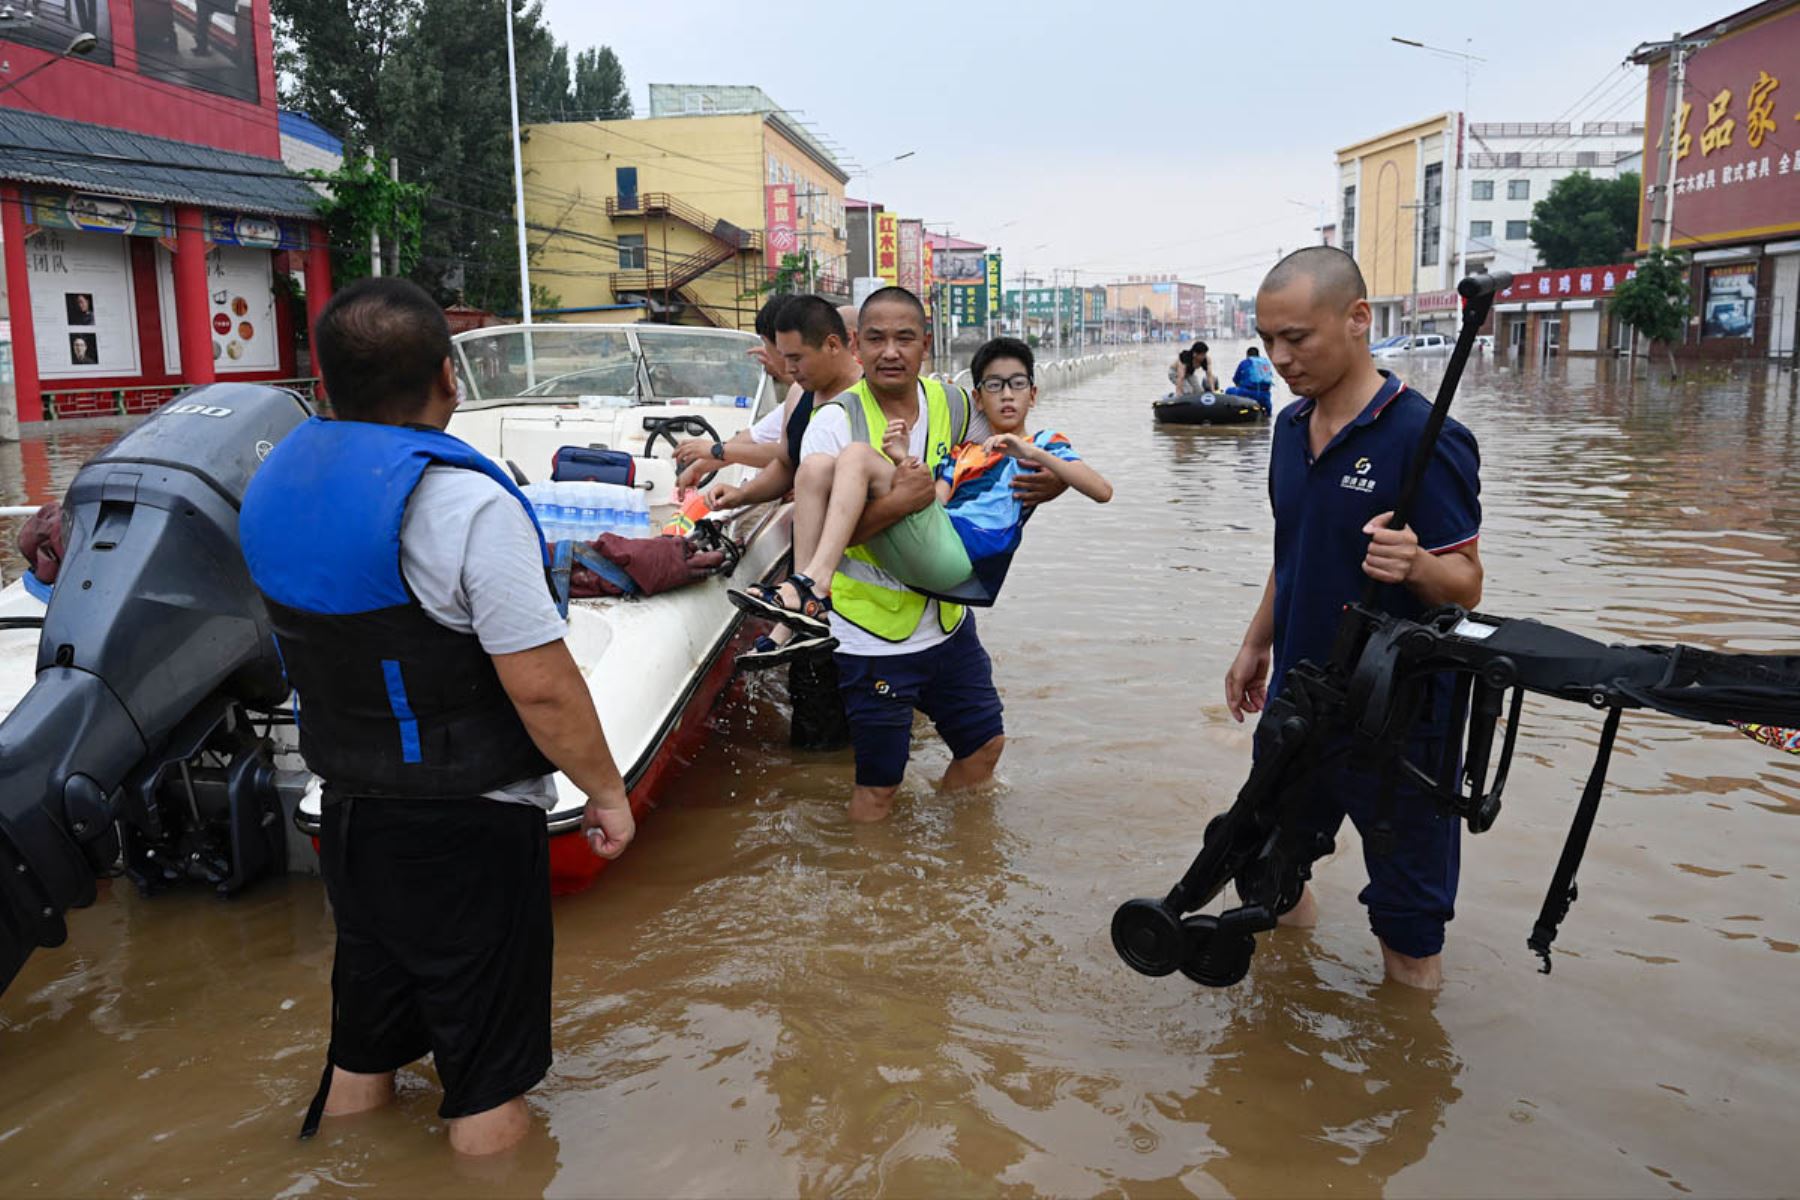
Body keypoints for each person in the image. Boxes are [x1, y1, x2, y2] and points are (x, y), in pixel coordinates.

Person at [238, 279, 637, 1154]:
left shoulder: (272, 487)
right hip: (466, 820)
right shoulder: (466, 506)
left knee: (363, 1044)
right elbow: (541, 686)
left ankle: (343, 1168)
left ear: (322, 377)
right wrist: (605, 792)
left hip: (345, 812)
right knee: (485, 1079)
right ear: (448, 378)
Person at [1224, 246, 1482, 991]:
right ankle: (1287, 1013)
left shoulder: (1424, 439)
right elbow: (1293, 550)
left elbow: (1466, 585)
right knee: (1268, 873)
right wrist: (1254, 645)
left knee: (1408, 930)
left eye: (1297, 338)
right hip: (1300, 698)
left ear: (1357, 319)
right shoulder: (1287, 429)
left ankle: (1406, 1074)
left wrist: (1420, 566)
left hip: (1399, 720)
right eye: (1268, 339)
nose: (1280, 358)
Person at [739, 287, 1065, 821]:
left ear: (925, 347)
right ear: (854, 346)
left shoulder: (956, 404)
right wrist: (898, 504)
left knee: (985, 748)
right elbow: (825, 534)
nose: (891, 351)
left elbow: (1011, 451)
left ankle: (946, 855)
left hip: (948, 620)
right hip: (872, 636)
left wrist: (1051, 480)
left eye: (904, 338)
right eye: (876, 339)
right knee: (877, 791)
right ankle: (873, 892)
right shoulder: (836, 422)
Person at [733, 335, 1110, 650]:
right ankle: (801, 609)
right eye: (994, 385)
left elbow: (1101, 490)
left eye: (1017, 383)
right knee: (815, 468)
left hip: (962, 557)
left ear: (1034, 393)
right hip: (934, 543)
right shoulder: (964, 452)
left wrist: (1031, 452)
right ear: (978, 399)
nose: (1007, 394)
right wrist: (901, 461)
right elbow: (931, 503)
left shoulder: (1046, 444)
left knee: (858, 456)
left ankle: (814, 587)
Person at [672, 294, 803, 485]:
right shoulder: (799, 393)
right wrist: (699, 467)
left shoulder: (823, 396)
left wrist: (714, 450)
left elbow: (786, 454)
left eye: (768, 346)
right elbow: (755, 436)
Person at [1226, 345, 1275, 413]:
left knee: (1229, 390)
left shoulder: (1245, 362)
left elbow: (1236, 379)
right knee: (1268, 413)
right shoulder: (1265, 363)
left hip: (1248, 394)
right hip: (1265, 396)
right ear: (1258, 355)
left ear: (1247, 355)